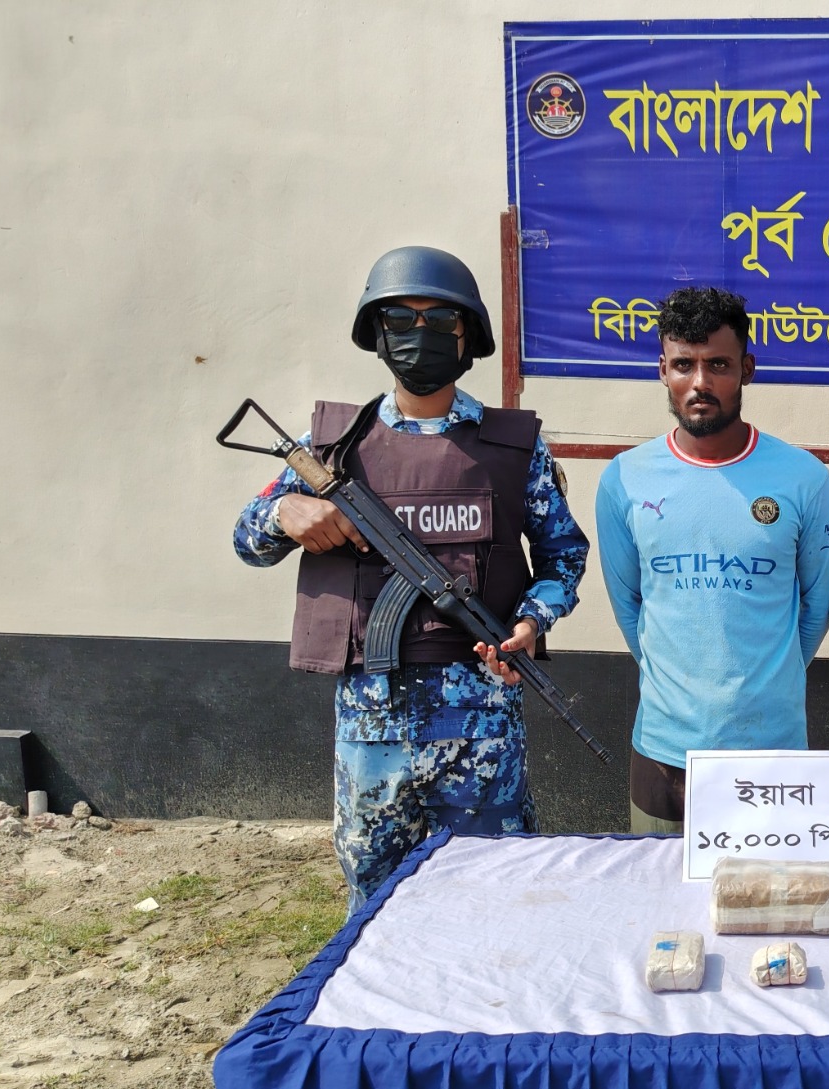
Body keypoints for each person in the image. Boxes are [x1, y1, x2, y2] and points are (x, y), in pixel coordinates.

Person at [233, 246, 588, 916]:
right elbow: (248, 542)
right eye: (400, 318)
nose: (418, 334)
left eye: (440, 320)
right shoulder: (330, 447)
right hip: (372, 729)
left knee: (496, 896)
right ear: (377, 332)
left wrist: (530, 622)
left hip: (482, 721)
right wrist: (285, 513)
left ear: (468, 337)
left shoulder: (514, 448)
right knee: (376, 901)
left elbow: (563, 555)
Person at [594, 286, 829, 833]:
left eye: (719, 365)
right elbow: (629, 605)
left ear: (747, 369)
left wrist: (763, 686)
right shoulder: (624, 479)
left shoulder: (804, 479)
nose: (700, 382)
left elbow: (816, 606)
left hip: (771, 752)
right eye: (684, 364)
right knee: (656, 889)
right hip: (662, 749)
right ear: (663, 370)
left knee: (771, 888)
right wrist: (680, 691)